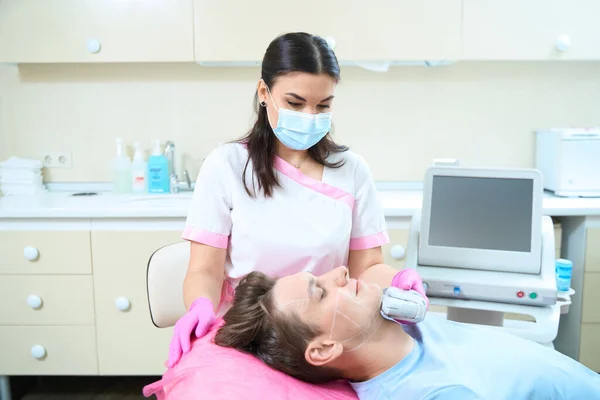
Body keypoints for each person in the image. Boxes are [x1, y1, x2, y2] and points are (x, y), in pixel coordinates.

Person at [167, 31, 428, 368]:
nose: (309, 116)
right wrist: (200, 306)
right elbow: (204, 269)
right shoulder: (227, 166)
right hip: (246, 336)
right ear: (264, 92)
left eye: (323, 105)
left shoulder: (352, 171)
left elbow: (367, 268)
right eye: (294, 103)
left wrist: (395, 280)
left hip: (324, 341)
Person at [214, 266, 600, 400]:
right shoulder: (427, 393)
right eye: (321, 290)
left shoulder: (402, 324)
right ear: (324, 348)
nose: (341, 274)